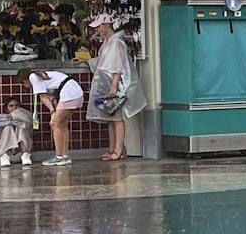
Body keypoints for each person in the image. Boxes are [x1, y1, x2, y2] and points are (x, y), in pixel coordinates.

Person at [79, 14, 147, 161]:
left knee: (117, 118)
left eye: (98, 26)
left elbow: (118, 66)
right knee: (110, 117)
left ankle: (118, 150)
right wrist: (86, 61)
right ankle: (112, 149)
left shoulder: (117, 43)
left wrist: (114, 86)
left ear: (106, 25)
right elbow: (103, 62)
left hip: (114, 85)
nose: (97, 29)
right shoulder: (108, 42)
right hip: (107, 83)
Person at [16, 68, 84, 166]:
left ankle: (59, 157)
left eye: (23, 84)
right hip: (75, 92)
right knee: (62, 125)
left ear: (24, 80)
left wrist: (52, 112)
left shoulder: (33, 77)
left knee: (55, 124)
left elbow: (43, 97)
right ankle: (64, 156)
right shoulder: (42, 75)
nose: (25, 87)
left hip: (68, 93)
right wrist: (54, 111)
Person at [0, 96, 33, 167]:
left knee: (21, 127)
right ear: (6, 109)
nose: (14, 108)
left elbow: (29, 119)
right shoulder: (0, 118)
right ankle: (4, 156)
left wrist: (15, 116)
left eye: (17, 106)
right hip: (5, 154)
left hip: (21, 153)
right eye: (11, 106)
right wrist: (10, 121)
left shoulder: (25, 117)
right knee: (8, 127)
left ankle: (25, 155)